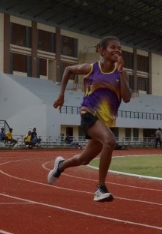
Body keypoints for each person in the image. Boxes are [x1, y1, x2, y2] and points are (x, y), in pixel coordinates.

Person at [47, 36, 132, 202]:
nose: (117, 50)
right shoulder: (92, 68)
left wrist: (121, 72)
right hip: (88, 113)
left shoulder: (121, 73)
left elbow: (127, 98)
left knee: (84, 159)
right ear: (102, 50)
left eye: (119, 48)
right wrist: (61, 95)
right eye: (113, 47)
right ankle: (100, 188)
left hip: (106, 122)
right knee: (110, 141)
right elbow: (68, 70)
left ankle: (60, 166)